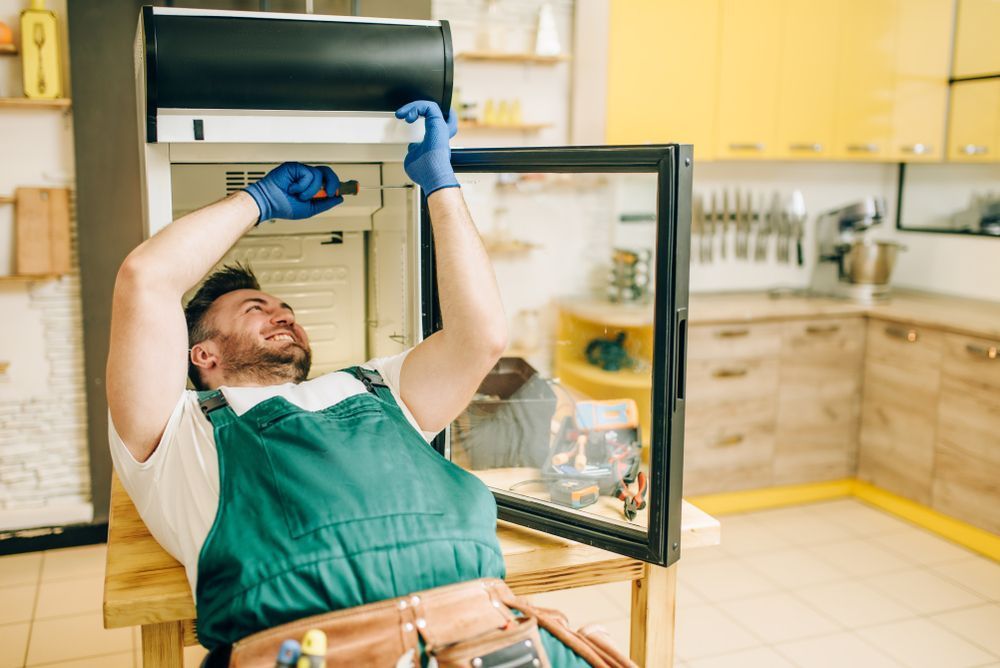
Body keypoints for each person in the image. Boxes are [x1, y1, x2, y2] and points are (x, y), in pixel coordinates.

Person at [107, 101, 595, 666]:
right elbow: (146, 278)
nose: (282, 313)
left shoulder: (376, 386)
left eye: (286, 307)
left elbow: (480, 335)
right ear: (202, 352)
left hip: (488, 637)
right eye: (254, 308)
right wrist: (257, 200)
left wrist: (441, 183)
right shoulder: (173, 430)